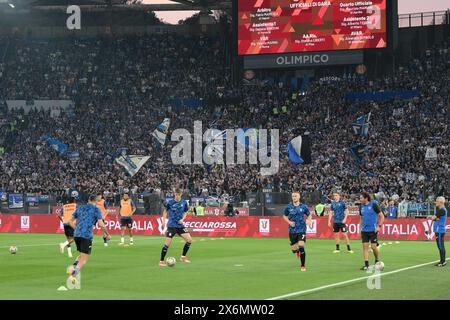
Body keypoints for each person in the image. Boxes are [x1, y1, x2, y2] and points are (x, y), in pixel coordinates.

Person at [66, 195, 110, 285]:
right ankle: (72, 277)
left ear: (88, 200)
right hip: (86, 236)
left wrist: (77, 229)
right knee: (84, 260)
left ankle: (72, 268)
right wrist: (107, 234)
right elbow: (101, 224)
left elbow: (69, 221)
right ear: (96, 201)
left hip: (77, 235)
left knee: (81, 256)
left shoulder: (80, 208)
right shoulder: (96, 209)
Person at [159, 188, 193, 267]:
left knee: (189, 240)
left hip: (180, 226)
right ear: (174, 194)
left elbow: (185, 212)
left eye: (178, 195)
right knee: (167, 244)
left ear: (181, 194)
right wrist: (163, 221)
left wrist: (183, 219)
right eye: (175, 194)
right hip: (172, 226)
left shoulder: (184, 202)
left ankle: (183, 257)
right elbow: (165, 211)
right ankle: (161, 261)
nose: (176, 196)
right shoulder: (170, 202)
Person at [282, 191, 312, 272]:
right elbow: (284, 216)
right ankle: (296, 251)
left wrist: (309, 220)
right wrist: (289, 222)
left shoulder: (304, 207)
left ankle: (302, 265)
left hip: (301, 229)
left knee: (301, 246)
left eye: (295, 196)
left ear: (299, 197)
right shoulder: (288, 207)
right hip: (292, 230)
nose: (294, 197)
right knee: (294, 249)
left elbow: (309, 215)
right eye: (293, 196)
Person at [359, 192, 385, 271]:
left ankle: (377, 259)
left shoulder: (373, 204)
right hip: (364, 230)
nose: (360, 199)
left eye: (361, 198)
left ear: (366, 198)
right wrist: (360, 229)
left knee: (373, 247)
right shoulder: (361, 207)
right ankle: (366, 265)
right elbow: (361, 218)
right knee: (365, 247)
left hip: (373, 230)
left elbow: (381, 216)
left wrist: (379, 226)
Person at [431, 196, 447, 267]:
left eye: (437, 201)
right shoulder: (441, 210)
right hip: (439, 230)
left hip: (439, 230)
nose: (436, 203)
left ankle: (442, 262)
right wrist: (435, 218)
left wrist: (435, 218)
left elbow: (433, 218)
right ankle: (442, 261)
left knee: (440, 246)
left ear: (441, 202)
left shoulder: (441, 210)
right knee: (441, 246)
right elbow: (434, 218)